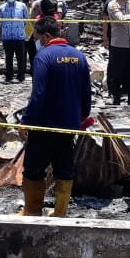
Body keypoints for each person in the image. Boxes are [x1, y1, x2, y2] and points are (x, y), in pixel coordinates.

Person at [17, 16, 92, 217]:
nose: (35, 41)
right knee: (64, 167)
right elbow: (86, 92)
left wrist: (26, 121)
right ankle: (60, 213)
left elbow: (38, 94)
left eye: (36, 37)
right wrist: (83, 116)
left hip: (44, 124)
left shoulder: (43, 56)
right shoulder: (79, 56)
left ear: (47, 36)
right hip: (69, 124)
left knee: (33, 169)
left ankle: (32, 211)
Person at [0, 0, 29, 82]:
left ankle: (21, 76)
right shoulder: (1, 8)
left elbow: (26, 20)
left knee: (21, 58)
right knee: (8, 57)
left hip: (19, 36)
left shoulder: (22, 6)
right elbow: (0, 21)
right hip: (7, 37)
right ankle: (9, 76)